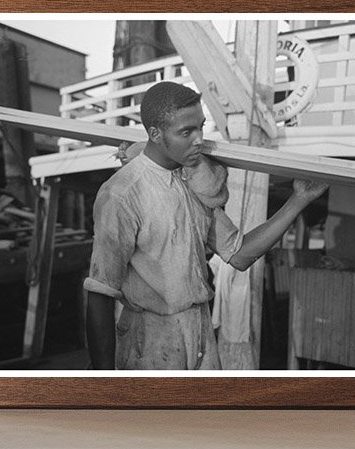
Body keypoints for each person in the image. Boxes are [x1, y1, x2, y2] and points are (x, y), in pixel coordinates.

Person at [84, 81, 327, 370]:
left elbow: (239, 254)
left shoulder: (194, 184)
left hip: (199, 330)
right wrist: (103, 379)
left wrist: (299, 199)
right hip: (148, 341)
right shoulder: (122, 194)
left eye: (200, 127)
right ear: (155, 134)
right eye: (186, 132)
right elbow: (100, 291)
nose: (199, 140)